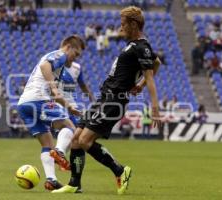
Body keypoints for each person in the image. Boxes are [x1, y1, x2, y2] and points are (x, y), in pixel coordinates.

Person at [52, 6, 161, 195]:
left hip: (114, 101)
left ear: (134, 24)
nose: (120, 29)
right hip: (104, 98)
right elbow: (157, 61)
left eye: (123, 25)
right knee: (76, 139)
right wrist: (139, 85)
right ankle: (74, 184)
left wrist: (154, 105)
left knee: (85, 141)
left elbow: (151, 75)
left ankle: (120, 171)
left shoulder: (142, 47)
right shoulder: (134, 46)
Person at [17, 35, 85, 191]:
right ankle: (60, 152)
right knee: (69, 127)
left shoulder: (59, 65)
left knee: (47, 143)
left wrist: (69, 107)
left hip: (24, 104)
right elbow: (44, 66)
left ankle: (51, 180)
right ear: (68, 47)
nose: (76, 58)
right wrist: (53, 87)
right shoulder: (60, 54)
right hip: (38, 99)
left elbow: (56, 96)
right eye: (76, 53)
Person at [51, 61, 95, 164]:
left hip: (72, 105)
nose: (75, 56)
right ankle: (59, 153)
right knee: (69, 129)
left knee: (77, 136)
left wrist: (92, 100)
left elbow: (82, 85)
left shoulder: (77, 68)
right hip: (59, 103)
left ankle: (59, 157)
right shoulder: (56, 65)